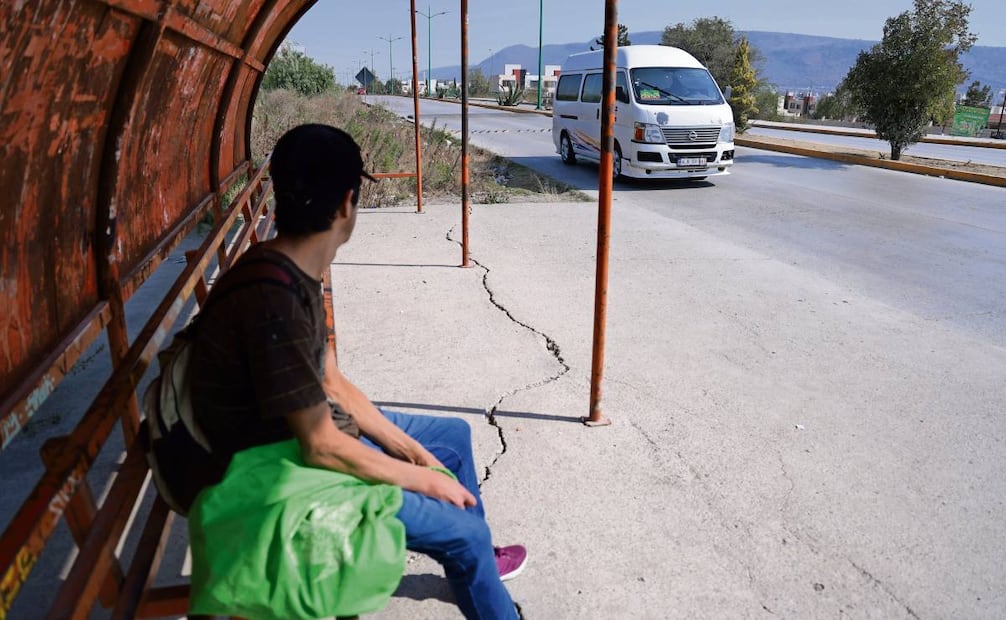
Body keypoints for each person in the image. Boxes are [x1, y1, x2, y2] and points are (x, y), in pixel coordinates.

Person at [189, 123, 526, 619]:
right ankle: (473, 554)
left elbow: (331, 382)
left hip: (294, 437)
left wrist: (415, 453)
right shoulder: (275, 300)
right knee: (464, 529)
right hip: (271, 469)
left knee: (451, 438)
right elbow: (320, 446)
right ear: (348, 203)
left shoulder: (288, 267)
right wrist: (425, 482)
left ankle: (475, 567)